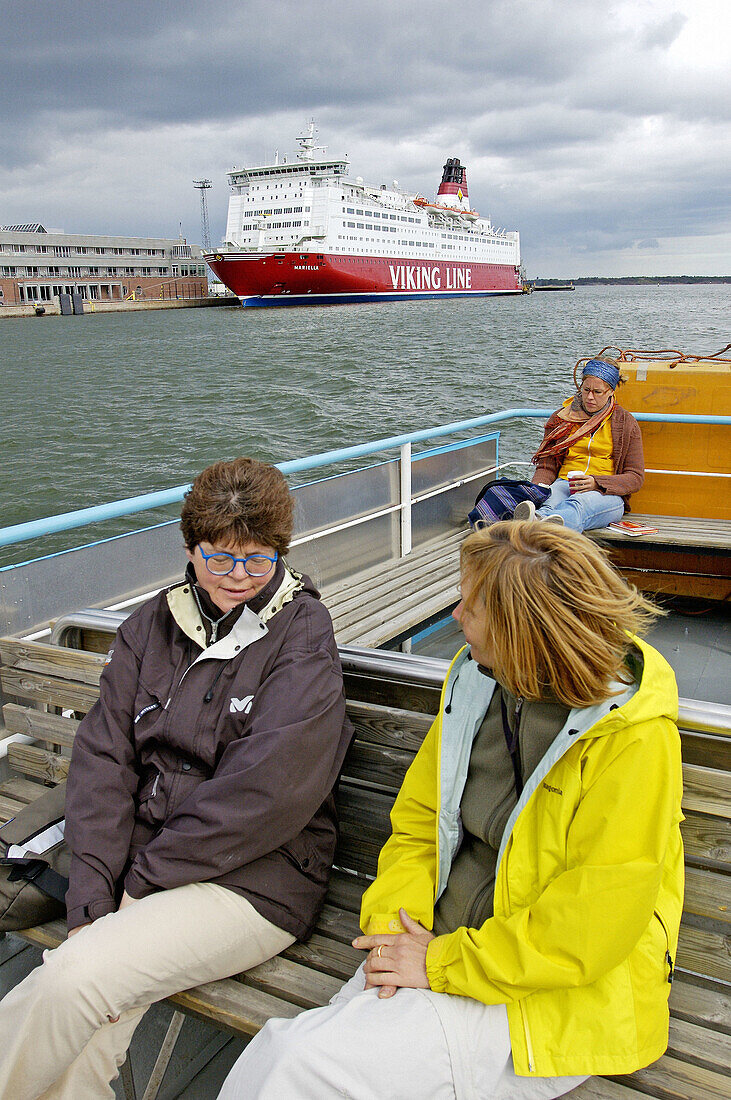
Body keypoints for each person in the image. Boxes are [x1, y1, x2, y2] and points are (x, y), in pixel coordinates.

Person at [218, 521, 684, 1100]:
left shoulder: (631, 740)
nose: (457, 615)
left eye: (471, 605)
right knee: (282, 1054)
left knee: (298, 1065)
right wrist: (394, 924)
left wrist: (439, 963)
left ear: (522, 631)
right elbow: (419, 822)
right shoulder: (478, 683)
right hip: (439, 947)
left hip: (542, 999)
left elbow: (590, 928)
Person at [0, 457, 352, 1100]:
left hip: (256, 880)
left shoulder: (302, 637)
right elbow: (103, 763)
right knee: (91, 1019)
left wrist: (142, 885)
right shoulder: (149, 627)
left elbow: (270, 791)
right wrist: (92, 899)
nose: (238, 577)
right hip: (143, 861)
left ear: (281, 554)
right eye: (219, 559)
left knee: (74, 979)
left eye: (258, 558)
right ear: (190, 549)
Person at [513, 357, 644, 531]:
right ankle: (541, 524)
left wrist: (596, 482)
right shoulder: (561, 418)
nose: (590, 397)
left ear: (611, 391)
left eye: (598, 392)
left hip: (606, 494)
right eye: (586, 390)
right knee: (548, 504)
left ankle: (534, 529)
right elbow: (547, 466)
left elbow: (635, 477)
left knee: (578, 504)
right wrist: (538, 489)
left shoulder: (626, 423)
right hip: (564, 483)